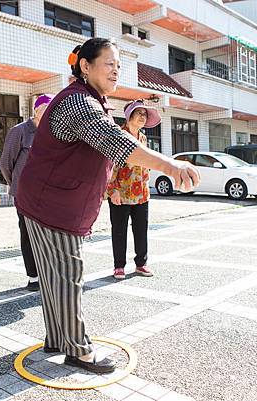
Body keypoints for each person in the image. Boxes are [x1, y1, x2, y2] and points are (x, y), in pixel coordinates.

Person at [16, 38, 200, 373]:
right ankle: (79, 349)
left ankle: (58, 338)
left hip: (46, 200)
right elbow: (117, 142)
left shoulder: (88, 99)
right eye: (109, 64)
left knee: (54, 274)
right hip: (52, 204)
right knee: (68, 274)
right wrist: (170, 165)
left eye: (118, 65)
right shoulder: (79, 103)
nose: (116, 71)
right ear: (85, 66)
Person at [0, 94, 53, 291]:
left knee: (46, 233)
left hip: (47, 194)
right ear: (36, 110)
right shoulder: (20, 131)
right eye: (47, 108)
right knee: (28, 233)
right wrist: (16, 184)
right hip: (24, 193)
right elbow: (6, 163)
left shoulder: (51, 132)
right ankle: (33, 276)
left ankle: (46, 273)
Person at [106, 99, 161, 280]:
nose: (142, 117)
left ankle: (141, 263)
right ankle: (119, 265)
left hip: (141, 193)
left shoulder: (143, 138)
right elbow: (108, 165)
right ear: (129, 116)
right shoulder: (119, 135)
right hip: (120, 192)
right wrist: (112, 189)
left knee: (141, 229)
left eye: (145, 115)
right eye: (139, 113)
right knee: (119, 230)